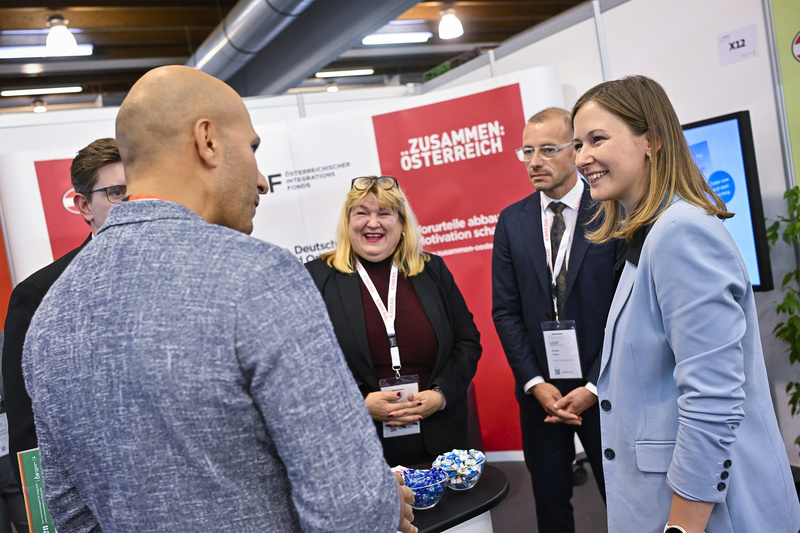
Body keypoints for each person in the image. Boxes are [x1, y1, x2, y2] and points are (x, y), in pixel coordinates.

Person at [22, 65, 416, 533]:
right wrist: (379, 503)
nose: (262, 180)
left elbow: (70, 513)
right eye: (251, 149)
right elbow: (350, 508)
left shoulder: (51, 314)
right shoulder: (259, 277)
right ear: (207, 141)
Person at [572, 75, 800, 533]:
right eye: (577, 144)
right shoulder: (650, 235)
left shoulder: (680, 233)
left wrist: (682, 527)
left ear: (652, 140)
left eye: (597, 139)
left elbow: (712, 400)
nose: (581, 158)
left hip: (705, 514)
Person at [492, 107, 617, 532]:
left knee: (624, 502)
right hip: (541, 394)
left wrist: (594, 386)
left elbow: (626, 312)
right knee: (550, 507)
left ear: (575, 150)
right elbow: (505, 311)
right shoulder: (512, 221)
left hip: (605, 389)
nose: (534, 161)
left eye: (547, 149)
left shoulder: (611, 211)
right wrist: (534, 383)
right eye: (527, 151)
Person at [306, 175, 481, 467]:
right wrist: (357, 403)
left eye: (384, 213)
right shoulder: (317, 278)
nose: (372, 223)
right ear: (347, 223)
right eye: (362, 213)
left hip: (440, 439)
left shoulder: (432, 270)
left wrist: (440, 396)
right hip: (360, 446)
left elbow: (467, 342)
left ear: (401, 225)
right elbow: (306, 363)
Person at [2, 137, 125, 492]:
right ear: (84, 206)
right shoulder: (39, 294)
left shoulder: (182, 273)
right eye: (117, 193)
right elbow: (27, 427)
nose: (133, 203)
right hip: (92, 494)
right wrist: (47, 513)